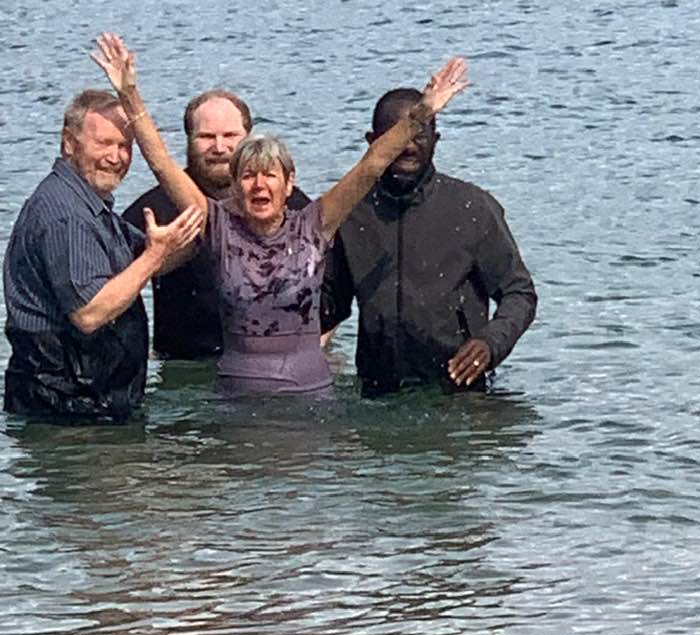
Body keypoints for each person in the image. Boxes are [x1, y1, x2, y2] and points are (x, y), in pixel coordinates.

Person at [92, 33, 469, 398]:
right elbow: (161, 163)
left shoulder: (315, 223)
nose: (259, 185)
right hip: (237, 398)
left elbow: (371, 165)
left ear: (289, 184)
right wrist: (129, 95)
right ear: (236, 185)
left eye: (269, 175)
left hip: (310, 395)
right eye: (248, 176)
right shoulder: (217, 226)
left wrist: (421, 114)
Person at [321, 87, 537, 397]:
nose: (409, 147)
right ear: (372, 142)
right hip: (378, 391)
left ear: (436, 140)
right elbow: (330, 305)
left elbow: (519, 293)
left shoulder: (472, 208)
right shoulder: (353, 213)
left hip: (459, 390)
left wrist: (490, 344)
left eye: (419, 135)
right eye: (396, 136)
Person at [3, 89, 203, 420]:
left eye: (125, 146)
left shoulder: (90, 206)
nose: (116, 156)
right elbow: (89, 313)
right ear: (69, 143)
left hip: (90, 402)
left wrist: (186, 239)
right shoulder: (66, 215)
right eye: (104, 144)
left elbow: (147, 262)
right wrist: (154, 255)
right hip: (65, 411)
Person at [123, 89, 311, 360]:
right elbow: (108, 287)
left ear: (249, 138)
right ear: (188, 140)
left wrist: (318, 344)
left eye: (230, 135)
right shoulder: (154, 209)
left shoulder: (289, 204)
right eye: (206, 137)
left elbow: (331, 286)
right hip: (184, 365)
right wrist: (158, 258)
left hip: (274, 360)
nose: (220, 148)